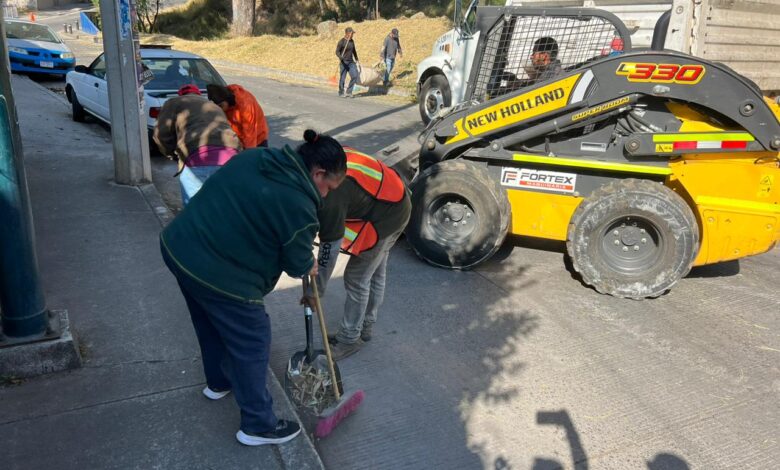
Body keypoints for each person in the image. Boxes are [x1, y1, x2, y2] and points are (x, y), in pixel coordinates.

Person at [160, 130, 347, 446]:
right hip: (220, 272)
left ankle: (219, 382)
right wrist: (308, 264)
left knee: (209, 321)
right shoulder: (300, 203)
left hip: (179, 248)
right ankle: (258, 425)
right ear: (317, 173)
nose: (326, 195)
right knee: (252, 339)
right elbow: (296, 262)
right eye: (329, 186)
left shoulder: (256, 157)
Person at [305, 147, 411, 360]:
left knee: (357, 278)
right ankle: (365, 328)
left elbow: (329, 250)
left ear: (318, 174)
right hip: (397, 201)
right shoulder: (330, 158)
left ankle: (349, 339)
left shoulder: (331, 192)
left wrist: (315, 292)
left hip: (387, 217)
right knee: (376, 272)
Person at [153, 84, 242, 205]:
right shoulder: (214, 106)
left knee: (194, 212)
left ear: (181, 95)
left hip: (199, 159)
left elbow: (161, 135)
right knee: (223, 210)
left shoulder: (174, 102)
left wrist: (171, 154)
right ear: (198, 95)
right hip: (232, 159)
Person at [206, 84, 270, 149]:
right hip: (239, 140)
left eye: (221, 106)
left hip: (257, 137)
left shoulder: (245, 104)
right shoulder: (226, 104)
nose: (220, 109)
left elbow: (250, 133)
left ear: (227, 99)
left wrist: (249, 153)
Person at [336, 27, 359, 98]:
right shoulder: (342, 41)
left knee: (355, 76)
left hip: (351, 62)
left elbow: (354, 50)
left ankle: (349, 91)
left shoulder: (352, 41)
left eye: (352, 33)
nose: (353, 35)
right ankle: (341, 92)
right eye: (352, 33)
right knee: (343, 78)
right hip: (343, 62)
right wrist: (340, 57)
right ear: (347, 33)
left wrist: (356, 58)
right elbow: (337, 52)